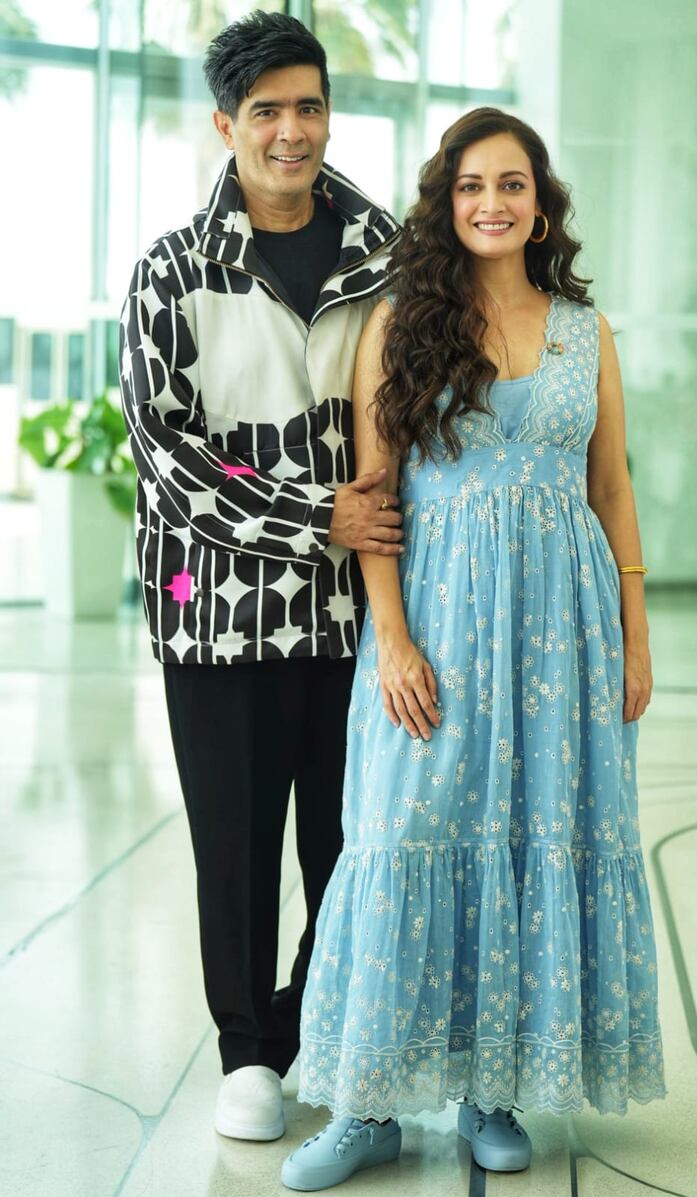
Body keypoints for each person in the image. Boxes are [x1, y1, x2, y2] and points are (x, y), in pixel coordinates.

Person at [281, 107, 666, 1191]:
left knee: (528, 832)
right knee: (405, 828)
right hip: (439, 622)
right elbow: (373, 491)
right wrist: (391, 637)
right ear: (444, 205)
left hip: (564, 626)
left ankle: (488, 1089)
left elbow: (610, 486)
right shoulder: (401, 322)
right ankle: (362, 1106)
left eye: (510, 183)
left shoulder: (585, 333)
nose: (490, 202)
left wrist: (634, 636)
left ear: (539, 202)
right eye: (469, 186)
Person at [118, 11, 403, 1143]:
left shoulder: (388, 254)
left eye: (309, 107)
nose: (292, 132)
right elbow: (168, 456)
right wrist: (315, 512)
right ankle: (245, 1051)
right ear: (226, 124)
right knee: (233, 846)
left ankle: (304, 1024)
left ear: (329, 113)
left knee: (351, 839)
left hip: (357, 616)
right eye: (267, 112)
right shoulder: (171, 272)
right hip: (219, 619)